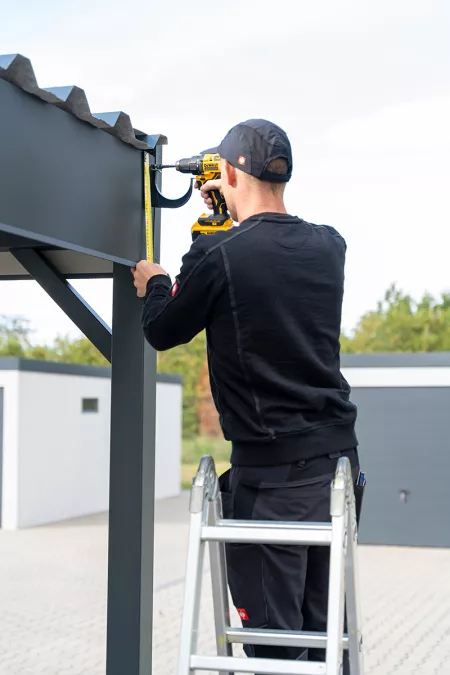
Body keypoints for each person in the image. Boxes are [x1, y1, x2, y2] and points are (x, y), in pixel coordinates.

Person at [131, 119, 359, 668]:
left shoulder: (220, 255)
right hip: (338, 468)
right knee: (325, 632)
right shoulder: (330, 246)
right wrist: (220, 228)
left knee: (274, 649)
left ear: (227, 172)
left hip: (271, 482)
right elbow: (266, 272)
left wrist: (158, 282)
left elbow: (164, 330)